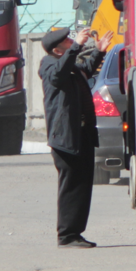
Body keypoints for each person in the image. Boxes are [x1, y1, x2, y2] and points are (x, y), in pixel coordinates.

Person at [40, 25, 107, 248]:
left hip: (81, 133)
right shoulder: (49, 64)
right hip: (65, 137)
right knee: (71, 185)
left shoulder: (68, 64)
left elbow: (84, 70)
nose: (72, 41)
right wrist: (77, 46)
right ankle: (67, 235)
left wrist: (98, 51)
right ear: (58, 50)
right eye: (68, 41)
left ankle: (75, 233)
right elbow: (58, 76)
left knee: (83, 183)